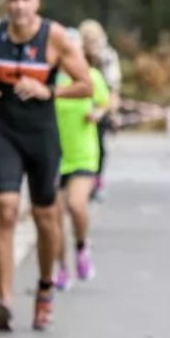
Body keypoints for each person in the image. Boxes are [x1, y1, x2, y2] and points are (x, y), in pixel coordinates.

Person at [0, 0, 93, 331]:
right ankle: (4, 299)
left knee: (45, 216)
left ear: (37, 2)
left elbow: (85, 85)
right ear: (7, 3)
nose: (18, 6)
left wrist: (47, 91)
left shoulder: (54, 37)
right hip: (5, 131)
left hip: (42, 135)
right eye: (13, 0)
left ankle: (45, 288)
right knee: (5, 209)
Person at [53, 28, 111, 289]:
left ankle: (81, 247)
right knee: (53, 218)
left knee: (76, 205)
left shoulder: (91, 76)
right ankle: (61, 268)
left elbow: (106, 102)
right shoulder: (52, 78)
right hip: (54, 154)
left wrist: (98, 114)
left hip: (83, 154)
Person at [78, 20, 122, 202]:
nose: (91, 44)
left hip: (101, 105)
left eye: (94, 40)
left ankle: (95, 182)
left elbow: (113, 89)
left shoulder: (108, 56)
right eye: (87, 40)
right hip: (78, 107)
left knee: (99, 147)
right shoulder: (75, 54)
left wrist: (106, 111)